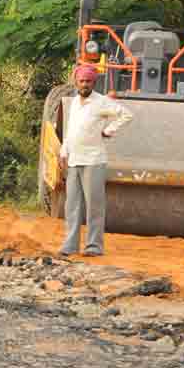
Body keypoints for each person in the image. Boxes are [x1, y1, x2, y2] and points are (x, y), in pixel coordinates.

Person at [59, 65, 133, 257]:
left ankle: (94, 246)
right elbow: (71, 130)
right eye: (82, 81)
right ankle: (70, 245)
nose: (85, 84)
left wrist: (108, 130)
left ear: (94, 82)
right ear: (76, 82)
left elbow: (126, 115)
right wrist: (63, 151)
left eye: (88, 81)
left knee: (94, 206)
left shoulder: (102, 102)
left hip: (93, 160)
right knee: (72, 205)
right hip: (74, 159)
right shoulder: (74, 102)